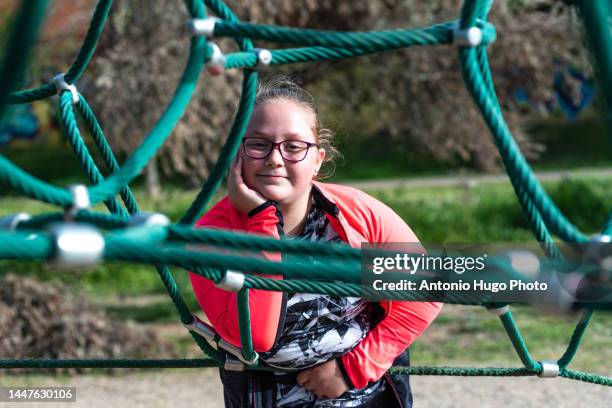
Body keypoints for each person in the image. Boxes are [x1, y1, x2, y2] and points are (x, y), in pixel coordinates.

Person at [189, 76, 443, 408]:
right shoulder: (211, 236)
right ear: (238, 153)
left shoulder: (357, 215)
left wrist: (352, 369)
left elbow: (427, 290)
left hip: (368, 395)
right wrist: (263, 218)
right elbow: (258, 337)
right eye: (258, 144)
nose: (275, 159)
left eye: (294, 146)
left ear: (318, 160)